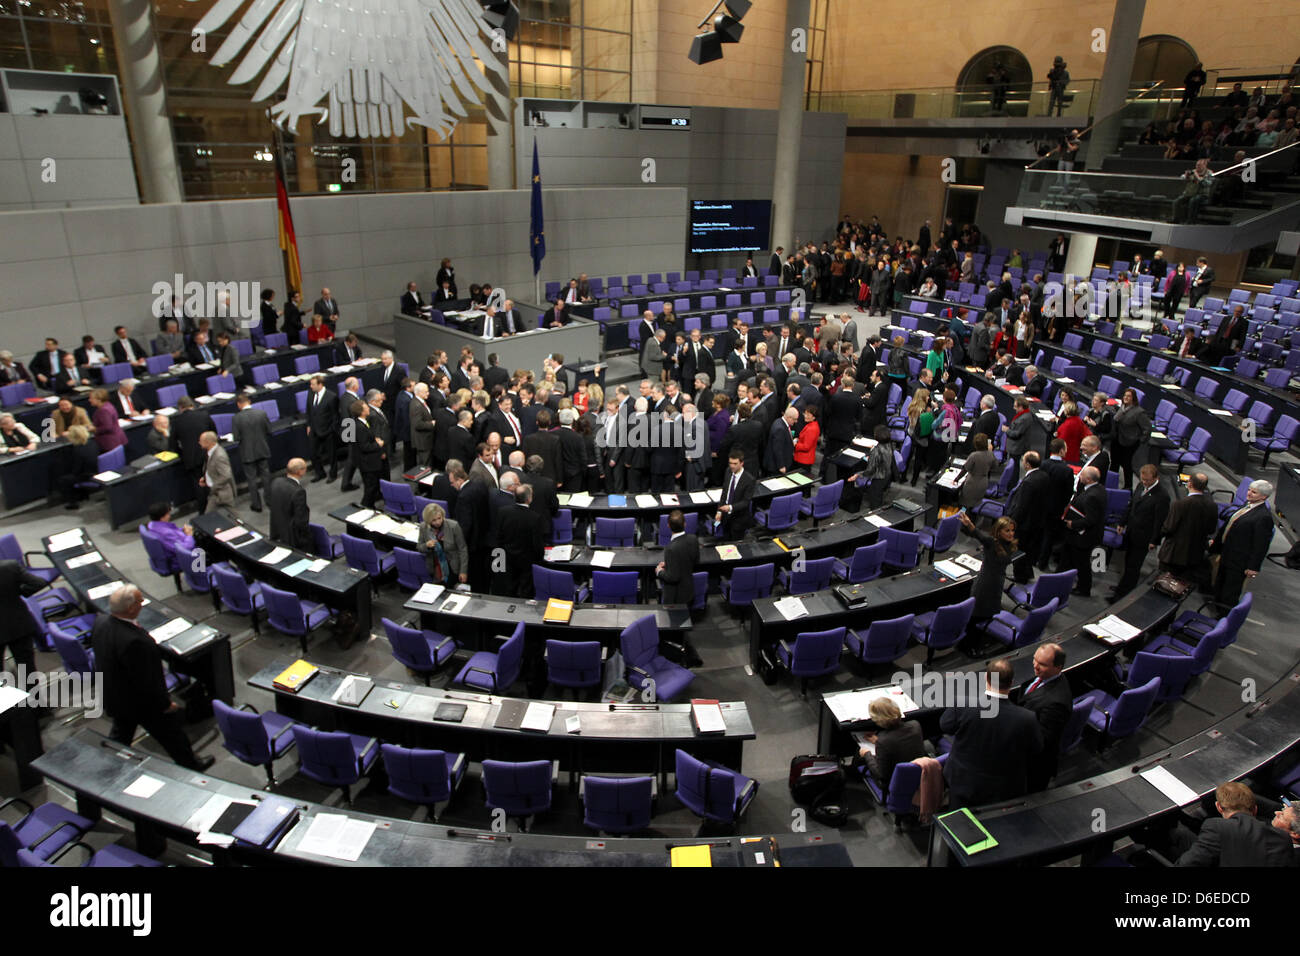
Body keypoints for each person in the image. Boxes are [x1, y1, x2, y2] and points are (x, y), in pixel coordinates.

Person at [91, 585, 214, 771]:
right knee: (171, 734)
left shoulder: (101, 622)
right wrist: (165, 704)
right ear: (131, 608)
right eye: (140, 601)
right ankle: (191, 765)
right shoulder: (135, 642)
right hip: (142, 703)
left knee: (121, 734)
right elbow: (148, 680)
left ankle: (110, 766)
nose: (143, 605)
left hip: (115, 695)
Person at [940, 659, 1043, 808]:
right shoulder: (1027, 719)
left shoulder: (963, 704)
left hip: (963, 782)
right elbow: (1036, 748)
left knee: (958, 823)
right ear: (1012, 682)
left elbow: (945, 726)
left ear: (985, 678)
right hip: (1003, 789)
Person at [1175, 782, 1296, 867]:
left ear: (1218, 807)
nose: (1277, 812)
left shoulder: (1216, 826)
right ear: (1255, 809)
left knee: (1179, 835)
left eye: (1282, 816)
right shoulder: (1283, 838)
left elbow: (1188, 863)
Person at [1017, 643, 1073, 791]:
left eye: (1042, 664)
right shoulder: (1043, 677)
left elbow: (1041, 742)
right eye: (1035, 660)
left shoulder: (1057, 703)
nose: (1035, 666)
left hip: (1032, 768)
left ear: (1058, 667)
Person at [1110, 464, 1171, 598]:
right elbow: (1131, 505)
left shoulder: (1162, 496)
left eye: (1147, 480)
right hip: (1132, 531)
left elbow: (1159, 521)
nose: (1144, 482)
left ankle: (1123, 594)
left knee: (1133, 566)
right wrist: (1122, 522)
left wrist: (1154, 540)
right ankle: (1123, 586)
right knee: (1128, 562)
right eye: (1143, 479)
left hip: (1144, 537)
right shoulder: (1140, 486)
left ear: (1156, 478)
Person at [1212, 479, 1274, 610]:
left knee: (1230, 591)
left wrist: (1253, 567)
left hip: (1239, 561)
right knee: (1220, 584)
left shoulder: (1263, 517)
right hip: (1227, 553)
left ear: (1264, 497)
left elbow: (1261, 545)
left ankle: (1223, 618)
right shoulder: (1247, 505)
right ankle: (1216, 608)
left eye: (1254, 492)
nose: (1249, 493)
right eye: (1249, 490)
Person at [957, 511, 1017, 637]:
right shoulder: (991, 543)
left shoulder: (1010, 545)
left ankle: (981, 637)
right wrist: (969, 524)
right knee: (976, 614)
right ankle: (967, 643)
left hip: (997, 583)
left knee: (989, 612)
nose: (1011, 534)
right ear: (999, 531)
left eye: (1012, 531)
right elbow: (979, 535)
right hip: (985, 584)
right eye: (1007, 531)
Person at [857, 697, 927, 803]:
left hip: (894, 782)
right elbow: (900, 742)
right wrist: (878, 741)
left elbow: (880, 774)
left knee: (861, 758)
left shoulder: (884, 741)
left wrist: (866, 754)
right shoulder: (915, 725)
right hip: (917, 775)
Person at [1158, 472, 1218, 585]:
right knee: (1181, 587)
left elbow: (1168, 528)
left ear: (1189, 484)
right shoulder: (1212, 506)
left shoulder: (1180, 504)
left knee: (1163, 585)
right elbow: (1211, 529)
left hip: (1173, 554)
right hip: (1195, 555)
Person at [495, 484, 545, 598]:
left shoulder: (503, 512)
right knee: (526, 591)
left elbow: (498, 535)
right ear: (529, 499)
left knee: (509, 588)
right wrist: (539, 559)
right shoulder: (534, 518)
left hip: (507, 558)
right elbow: (537, 544)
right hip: (526, 560)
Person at [0, 556, 47, 677]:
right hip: (19, 626)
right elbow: (39, 583)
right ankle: (33, 696)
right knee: (27, 670)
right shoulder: (10, 566)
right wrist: (21, 591)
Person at [1063, 465, 1105, 596]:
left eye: (1081, 476)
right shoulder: (1099, 489)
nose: (1079, 477)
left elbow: (1090, 520)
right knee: (1079, 561)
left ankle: (1083, 588)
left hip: (1084, 537)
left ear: (1088, 479)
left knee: (1082, 564)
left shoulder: (1092, 496)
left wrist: (1073, 524)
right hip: (1086, 536)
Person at [231, 393, 272, 512]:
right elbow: (269, 430)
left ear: (239, 404)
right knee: (266, 476)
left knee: (251, 480)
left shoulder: (236, 418)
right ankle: (269, 501)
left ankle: (257, 505)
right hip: (262, 449)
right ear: (249, 401)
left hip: (247, 453)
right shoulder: (262, 414)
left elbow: (236, 438)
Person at [657, 509, 700, 607]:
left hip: (676, 597)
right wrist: (670, 563)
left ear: (668, 525)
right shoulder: (693, 539)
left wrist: (659, 571)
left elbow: (673, 577)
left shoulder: (670, 548)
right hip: (689, 591)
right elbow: (695, 562)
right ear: (685, 524)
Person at [418, 501, 468, 586]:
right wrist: (427, 545)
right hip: (435, 567)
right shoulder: (423, 527)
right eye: (433, 520)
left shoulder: (453, 526)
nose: (437, 522)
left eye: (439, 518)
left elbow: (462, 550)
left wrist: (463, 571)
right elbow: (419, 547)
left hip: (452, 567)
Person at [1110, 388, 1149, 490]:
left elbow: (1147, 429)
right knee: (1114, 463)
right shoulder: (1122, 408)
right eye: (1125, 396)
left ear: (1134, 398)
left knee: (1126, 465)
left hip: (1129, 442)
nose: (1126, 398)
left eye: (1129, 396)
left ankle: (1128, 487)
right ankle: (1111, 483)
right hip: (1117, 440)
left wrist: (1139, 440)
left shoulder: (1139, 412)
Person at [269, 458, 312, 551]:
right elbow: (300, 521)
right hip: (293, 540)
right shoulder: (298, 491)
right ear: (300, 472)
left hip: (278, 534)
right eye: (305, 468)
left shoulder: (276, 482)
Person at [306, 374, 339, 482]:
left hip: (327, 431)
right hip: (314, 430)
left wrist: (331, 430)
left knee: (331, 455)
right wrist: (309, 425)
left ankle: (333, 474)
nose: (311, 386)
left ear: (320, 384)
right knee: (313, 453)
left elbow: (335, 416)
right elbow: (309, 411)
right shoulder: (310, 394)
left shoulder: (331, 396)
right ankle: (320, 473)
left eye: (313, 384)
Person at [715, 452, 755, 540]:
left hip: (738, 520)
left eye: (735, 464)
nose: (732, 466)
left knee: (736, 546)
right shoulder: (728, 471)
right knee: (726, 543)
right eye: (730, 463)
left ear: (741, 463)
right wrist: (719, 511)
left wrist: (730, 507)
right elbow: (724, 493)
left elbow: (745, 502)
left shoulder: (749, 480)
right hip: (725, 518)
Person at [57, 424, 98, 509]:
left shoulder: (78, 450)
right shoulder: (92, 443)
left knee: (64, 480)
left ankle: (73, 503)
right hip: (96, 469)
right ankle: (83, 495)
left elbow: (77, 471)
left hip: (88, 475)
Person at [199, 431, 236, 513]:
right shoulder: (210, 452)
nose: (199, 442)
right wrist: (205, 478)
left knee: (234, 516)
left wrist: (213, 486)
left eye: (201, 440)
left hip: (222, 492)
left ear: (208, 442)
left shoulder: (219, 455)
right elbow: (211, 468)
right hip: (215, 493)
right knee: (208, 516)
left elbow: (226, 475)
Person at [957, 433, 996, 510]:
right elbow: (994, 466)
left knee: (965, 503)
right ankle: (973, 517)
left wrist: (957, 479)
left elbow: (965, 469)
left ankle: (963, 517)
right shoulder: (991, 454)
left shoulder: (974, 455)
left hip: (972, 483)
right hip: (983, 482)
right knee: (976, 503)